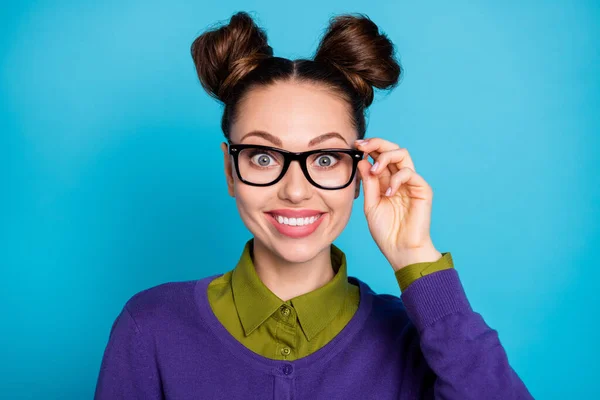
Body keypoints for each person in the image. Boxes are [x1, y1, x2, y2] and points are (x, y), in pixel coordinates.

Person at [94, 11, 534, 399]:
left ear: (361, 174)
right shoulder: (150, 328)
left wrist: (415, 256)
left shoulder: (419, 340)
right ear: (230, 170)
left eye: (325, 159)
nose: (296, 190)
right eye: (263, 157)